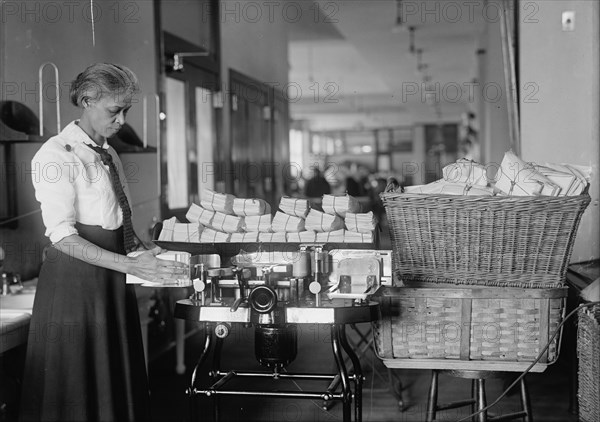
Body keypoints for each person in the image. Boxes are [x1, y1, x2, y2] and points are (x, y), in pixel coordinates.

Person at [20, 63, 187, 422]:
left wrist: (148, 253)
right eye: (115, 110)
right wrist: (130, 265)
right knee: (79, 389)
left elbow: (118, 224)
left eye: (126, 109)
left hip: (111, 280)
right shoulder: (55, 156)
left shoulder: (109, 153)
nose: (123, 120)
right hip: (75, 286)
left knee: (115, 384)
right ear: (86, 100)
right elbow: (62, 235)